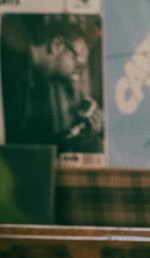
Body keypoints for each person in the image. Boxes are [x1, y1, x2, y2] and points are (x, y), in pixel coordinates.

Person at [0, 12, 103, 153]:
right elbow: (19, 156)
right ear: (57, 45)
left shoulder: (25, 77)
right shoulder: (13, 78)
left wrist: (72, 134)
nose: (75, 78)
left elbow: (21, 146)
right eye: (77, 66)